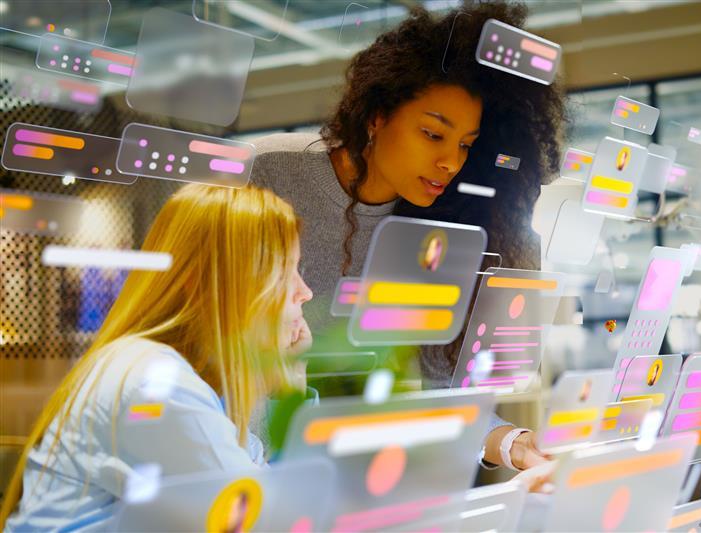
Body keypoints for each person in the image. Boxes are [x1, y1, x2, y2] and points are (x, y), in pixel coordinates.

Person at [250, 0, 565, 472]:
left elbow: (433, 389)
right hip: (250, 466)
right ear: (377, 116)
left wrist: (508, 442)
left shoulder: (446, 227)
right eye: (432, 135)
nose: (450, 163)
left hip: (365, 479)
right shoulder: (268, 172)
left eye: (465, 145)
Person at [0, 184, 313, 530]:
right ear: (210, 284)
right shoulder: (155, 382)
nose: (305, 291)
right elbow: (273, 521)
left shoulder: (183, 376)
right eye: (285, 272)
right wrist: (289, 391)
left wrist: (286, 381)